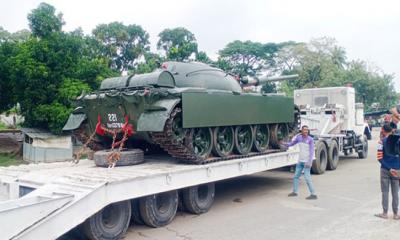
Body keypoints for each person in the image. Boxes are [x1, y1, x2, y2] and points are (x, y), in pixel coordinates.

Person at [285, 125, 317, 200]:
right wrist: (285, 144)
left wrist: (309, 162)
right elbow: (292, 143)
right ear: (301, 131)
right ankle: (295, 192)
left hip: (306, 162)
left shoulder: (310, 140)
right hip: (300, 161)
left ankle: (313, 194)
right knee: (296, 177)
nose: (306, 131)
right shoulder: (299, 138)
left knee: (307, 178)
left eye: (307, 130)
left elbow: (312, 151)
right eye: (304, 130)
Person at [375, 124, 400, 220]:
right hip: (397, 170)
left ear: (383, 131)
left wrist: (389, 168)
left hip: (385, 170)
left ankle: (385, 213)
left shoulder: (381, 142)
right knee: (395, 193)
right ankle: (396, 214)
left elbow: (379, 158)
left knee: (385, 192)